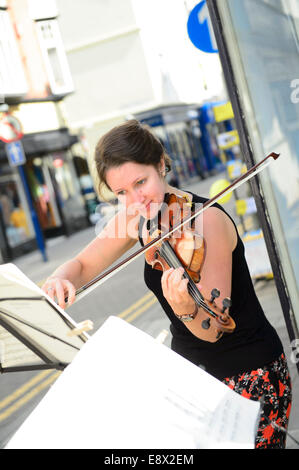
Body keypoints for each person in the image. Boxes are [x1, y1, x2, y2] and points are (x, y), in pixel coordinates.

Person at [42, 119, 292, 449]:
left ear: (161, 164)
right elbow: (83, 264)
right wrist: (60, 278)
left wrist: (186, 309)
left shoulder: (207, 220)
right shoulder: (136, 217)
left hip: (249, 375)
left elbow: (212, 328)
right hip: (194, 380)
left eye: (140, 182)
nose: (135, 199)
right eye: (121, 192)